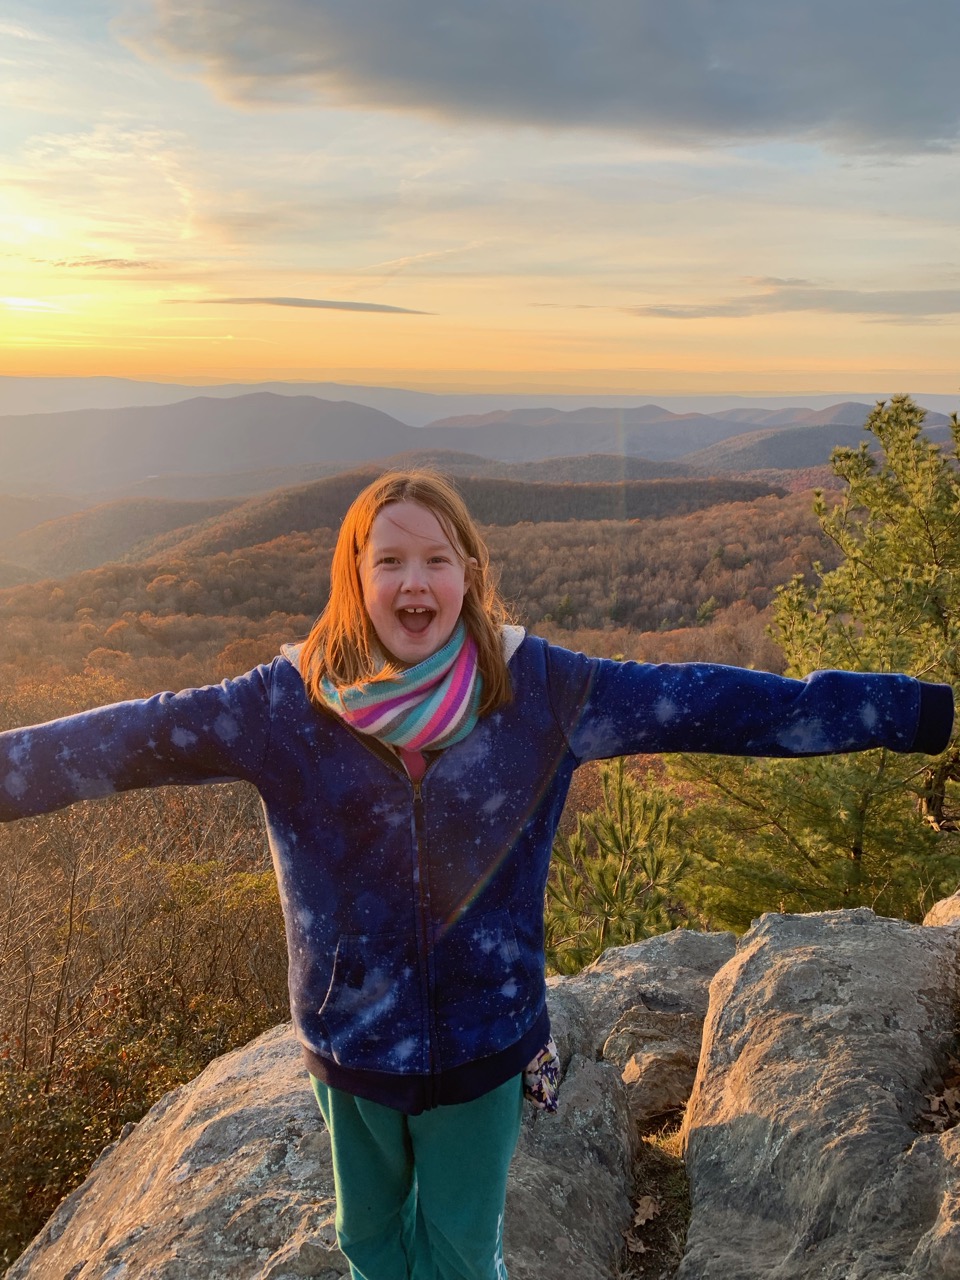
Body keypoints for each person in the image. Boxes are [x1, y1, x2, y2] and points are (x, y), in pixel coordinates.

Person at [0, 469, 953, 1280]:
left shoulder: (544, 693)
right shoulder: (282, 708)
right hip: (351, 1044)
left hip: (483, 1044)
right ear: (355, 577)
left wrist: (925, 717)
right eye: (390, 561)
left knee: (458, 1254)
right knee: (368, 1239)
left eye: (436, 560)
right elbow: (116, 741)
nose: (414, 582)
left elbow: (729, 706)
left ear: (468, 574)